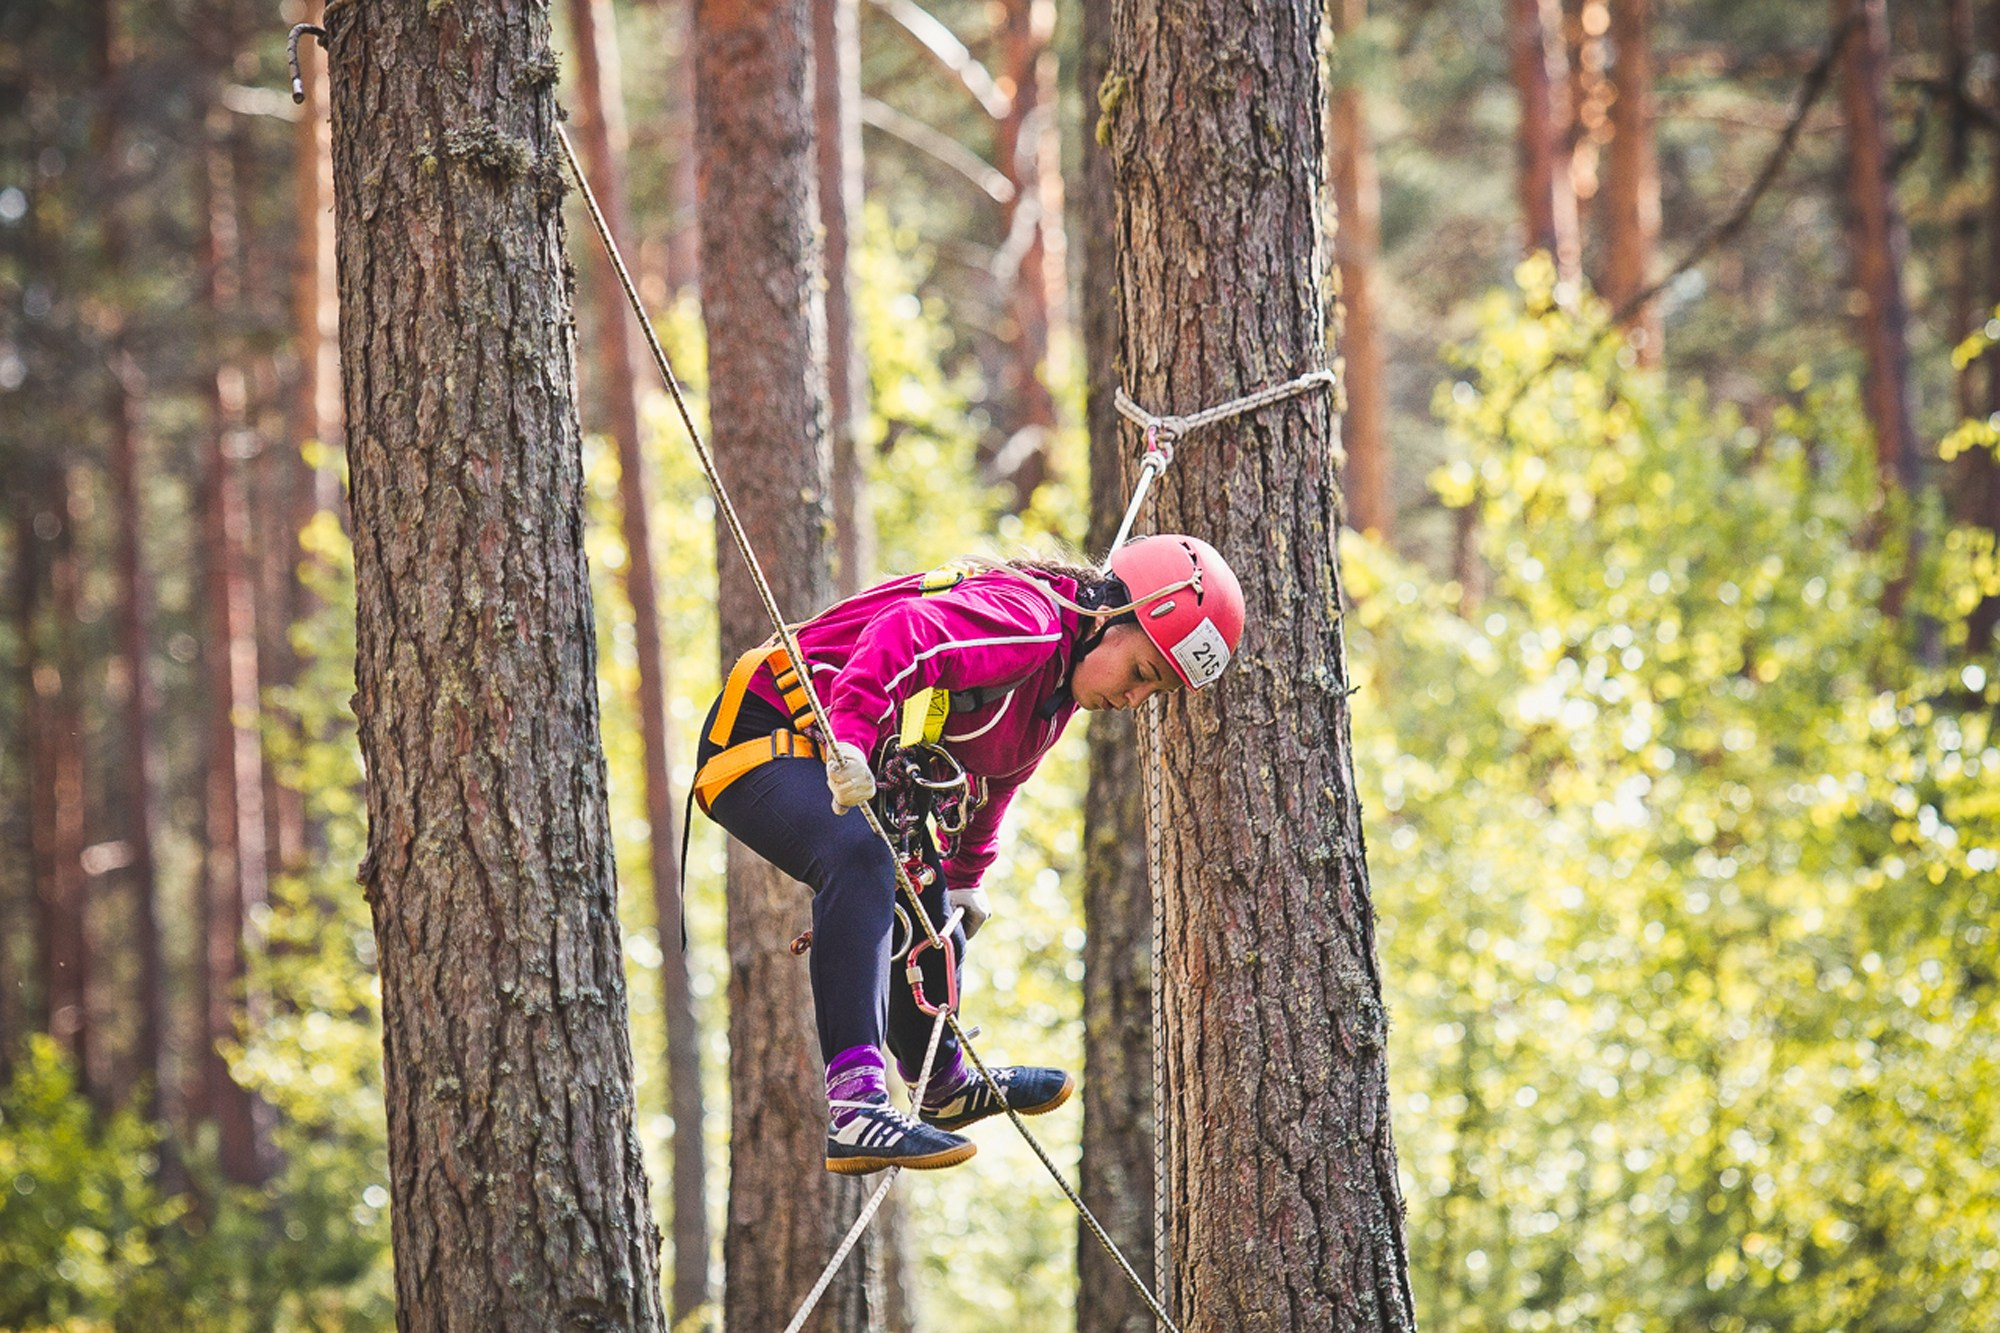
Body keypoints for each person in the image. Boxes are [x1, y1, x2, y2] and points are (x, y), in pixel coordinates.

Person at [694, 534, 1246, 1174]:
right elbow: (905, 637)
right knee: (864, 859)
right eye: (1142, 674)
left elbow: (996, 782)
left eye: (1151, 693)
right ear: (1110, 620)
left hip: (835, 750)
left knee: (928, 900)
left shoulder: (1051, 698)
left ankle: (942, 1085)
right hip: (766, 728)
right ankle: (855, 1107)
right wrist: (849, 737)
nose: (1132, 699)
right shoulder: (1031, 624)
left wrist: (964, 881)